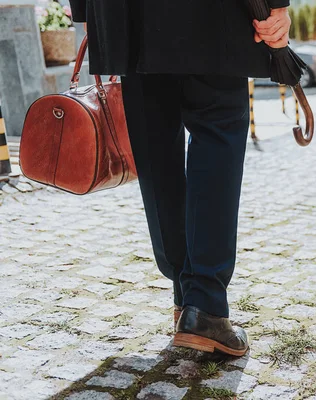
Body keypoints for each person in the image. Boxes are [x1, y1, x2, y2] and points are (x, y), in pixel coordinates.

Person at [68, 0, 291, 356]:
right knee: (217, 132)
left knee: (154, 148)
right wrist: (275, 5)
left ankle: (185, 297)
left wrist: (85, 11)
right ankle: (202, 304)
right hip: (209, 15)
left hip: (122, 13)